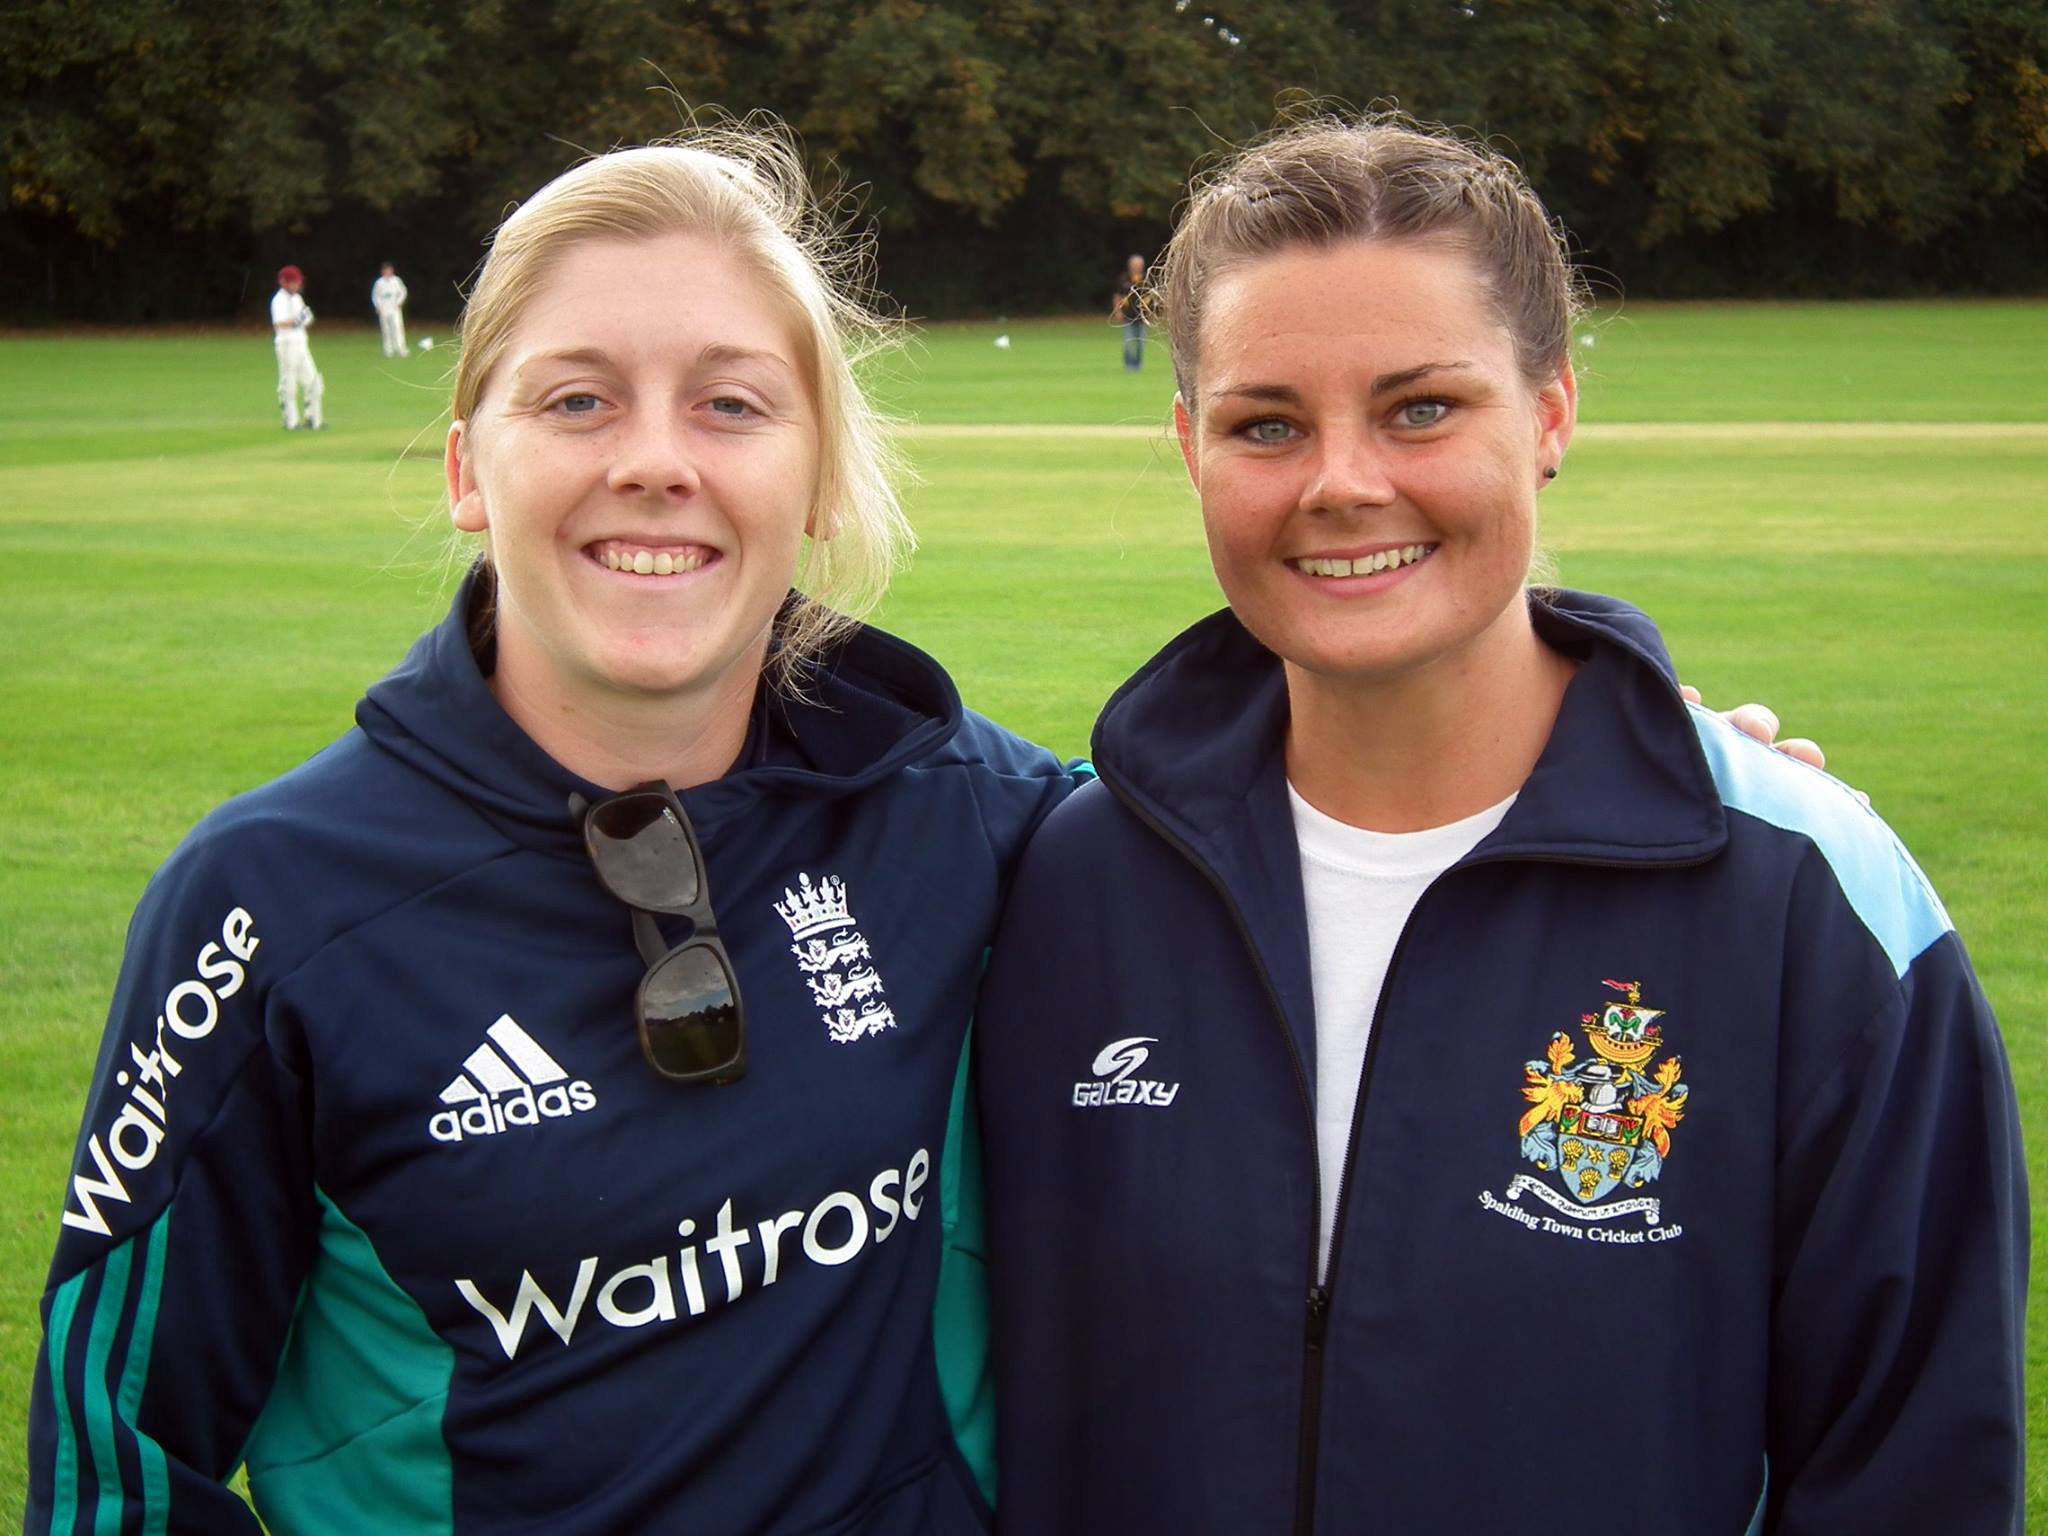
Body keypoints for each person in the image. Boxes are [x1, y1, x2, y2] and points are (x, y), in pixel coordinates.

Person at [975, 116, 2026, 1535]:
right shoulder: (1064, 880)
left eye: (1420, 408)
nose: (1342, 482)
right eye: (1266, 422)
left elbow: (1913, 1478)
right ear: (1189, 446)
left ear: (1549, 415)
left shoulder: (1816, 906)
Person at [27, 132, 1069, 1534]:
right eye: (578, 400)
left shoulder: (978, 818)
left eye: (732, 406)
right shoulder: (267, 909)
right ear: (468, 470)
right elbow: (119, 1472)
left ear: (817, 478)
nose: (654, 461)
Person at [270, 264, 324, 430]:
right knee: (289, 383)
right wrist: (296, 321)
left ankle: (313, 419)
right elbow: (279, 324)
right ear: (284, 282)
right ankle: (291, 421)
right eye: (294, 282)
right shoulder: (278, 300)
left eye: (298, 282)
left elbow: (304, 317)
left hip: (301, 344)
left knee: (314, 380)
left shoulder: (297, 299)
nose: (298, 285)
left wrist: (303, 319)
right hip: (286, 345)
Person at [1111, 253, 1148, 372]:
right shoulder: (1123, 279)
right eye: (1134, 265)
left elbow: (1151, 297)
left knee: (1140, 344)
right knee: (1128, 342)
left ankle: (1138, 365)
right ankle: (1129, 366)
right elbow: (1117, 296)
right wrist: (1117, 311)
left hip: (1142, 317)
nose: (1137, 267)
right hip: (1127, 316)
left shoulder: (1146, 279)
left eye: (1139, 265)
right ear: (1130, 266)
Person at [372, 261, 411, 357]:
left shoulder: (396, 280)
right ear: (383, 271)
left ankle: (401, 349)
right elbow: (375, 296)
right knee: (386, 329)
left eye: (389, 270)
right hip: (384, 308)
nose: (388, 272)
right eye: (386, 270)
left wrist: (399, 303)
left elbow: (403, 292)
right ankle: (388, 350)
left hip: (394, 308)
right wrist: (378, 306)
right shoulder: (379, 282)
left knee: (397, 328)